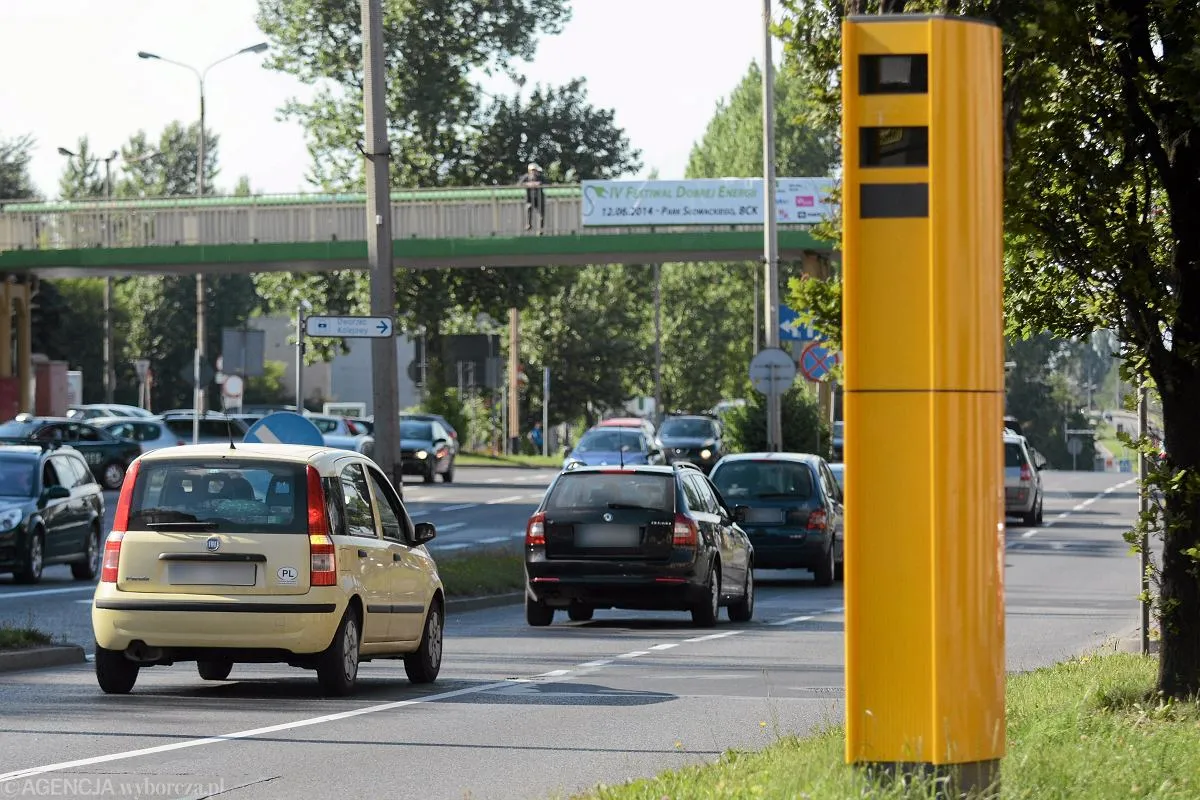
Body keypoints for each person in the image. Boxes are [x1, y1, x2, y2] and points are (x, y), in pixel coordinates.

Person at [518, 163, 546, 232]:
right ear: (529, 170)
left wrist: (538, 183)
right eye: (532, 170)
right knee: (528, 208)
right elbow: (519, 184)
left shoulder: (540, 177)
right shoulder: (526, 177)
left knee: (541, 214)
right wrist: (527, 184)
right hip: (529, 198)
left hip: (539, 198)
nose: (533, 172)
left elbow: (546, 183)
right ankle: (528, 224)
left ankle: (541, 229)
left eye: (535, 170)